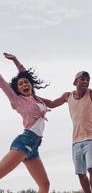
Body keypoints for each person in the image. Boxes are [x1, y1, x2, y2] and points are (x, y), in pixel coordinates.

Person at [40, 71, 92, 193]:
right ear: (75, 82)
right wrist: (33, 96)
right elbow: (52, 104)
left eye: (87, 80)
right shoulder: (67, 96)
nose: (85, 82)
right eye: (82, 79)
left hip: (91, 139)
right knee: (80, 173)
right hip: (76, 141)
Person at [0, 53, 50, 192]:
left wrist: (15, 60)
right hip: (25, 142)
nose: (24, 84)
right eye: (20, 84)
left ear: (31, 85)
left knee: (44, 185)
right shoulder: (17, 100)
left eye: (26, 82)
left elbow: (25, 74)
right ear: (17, 89)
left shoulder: (37, 99)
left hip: (34, 146)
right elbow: (2, 82)